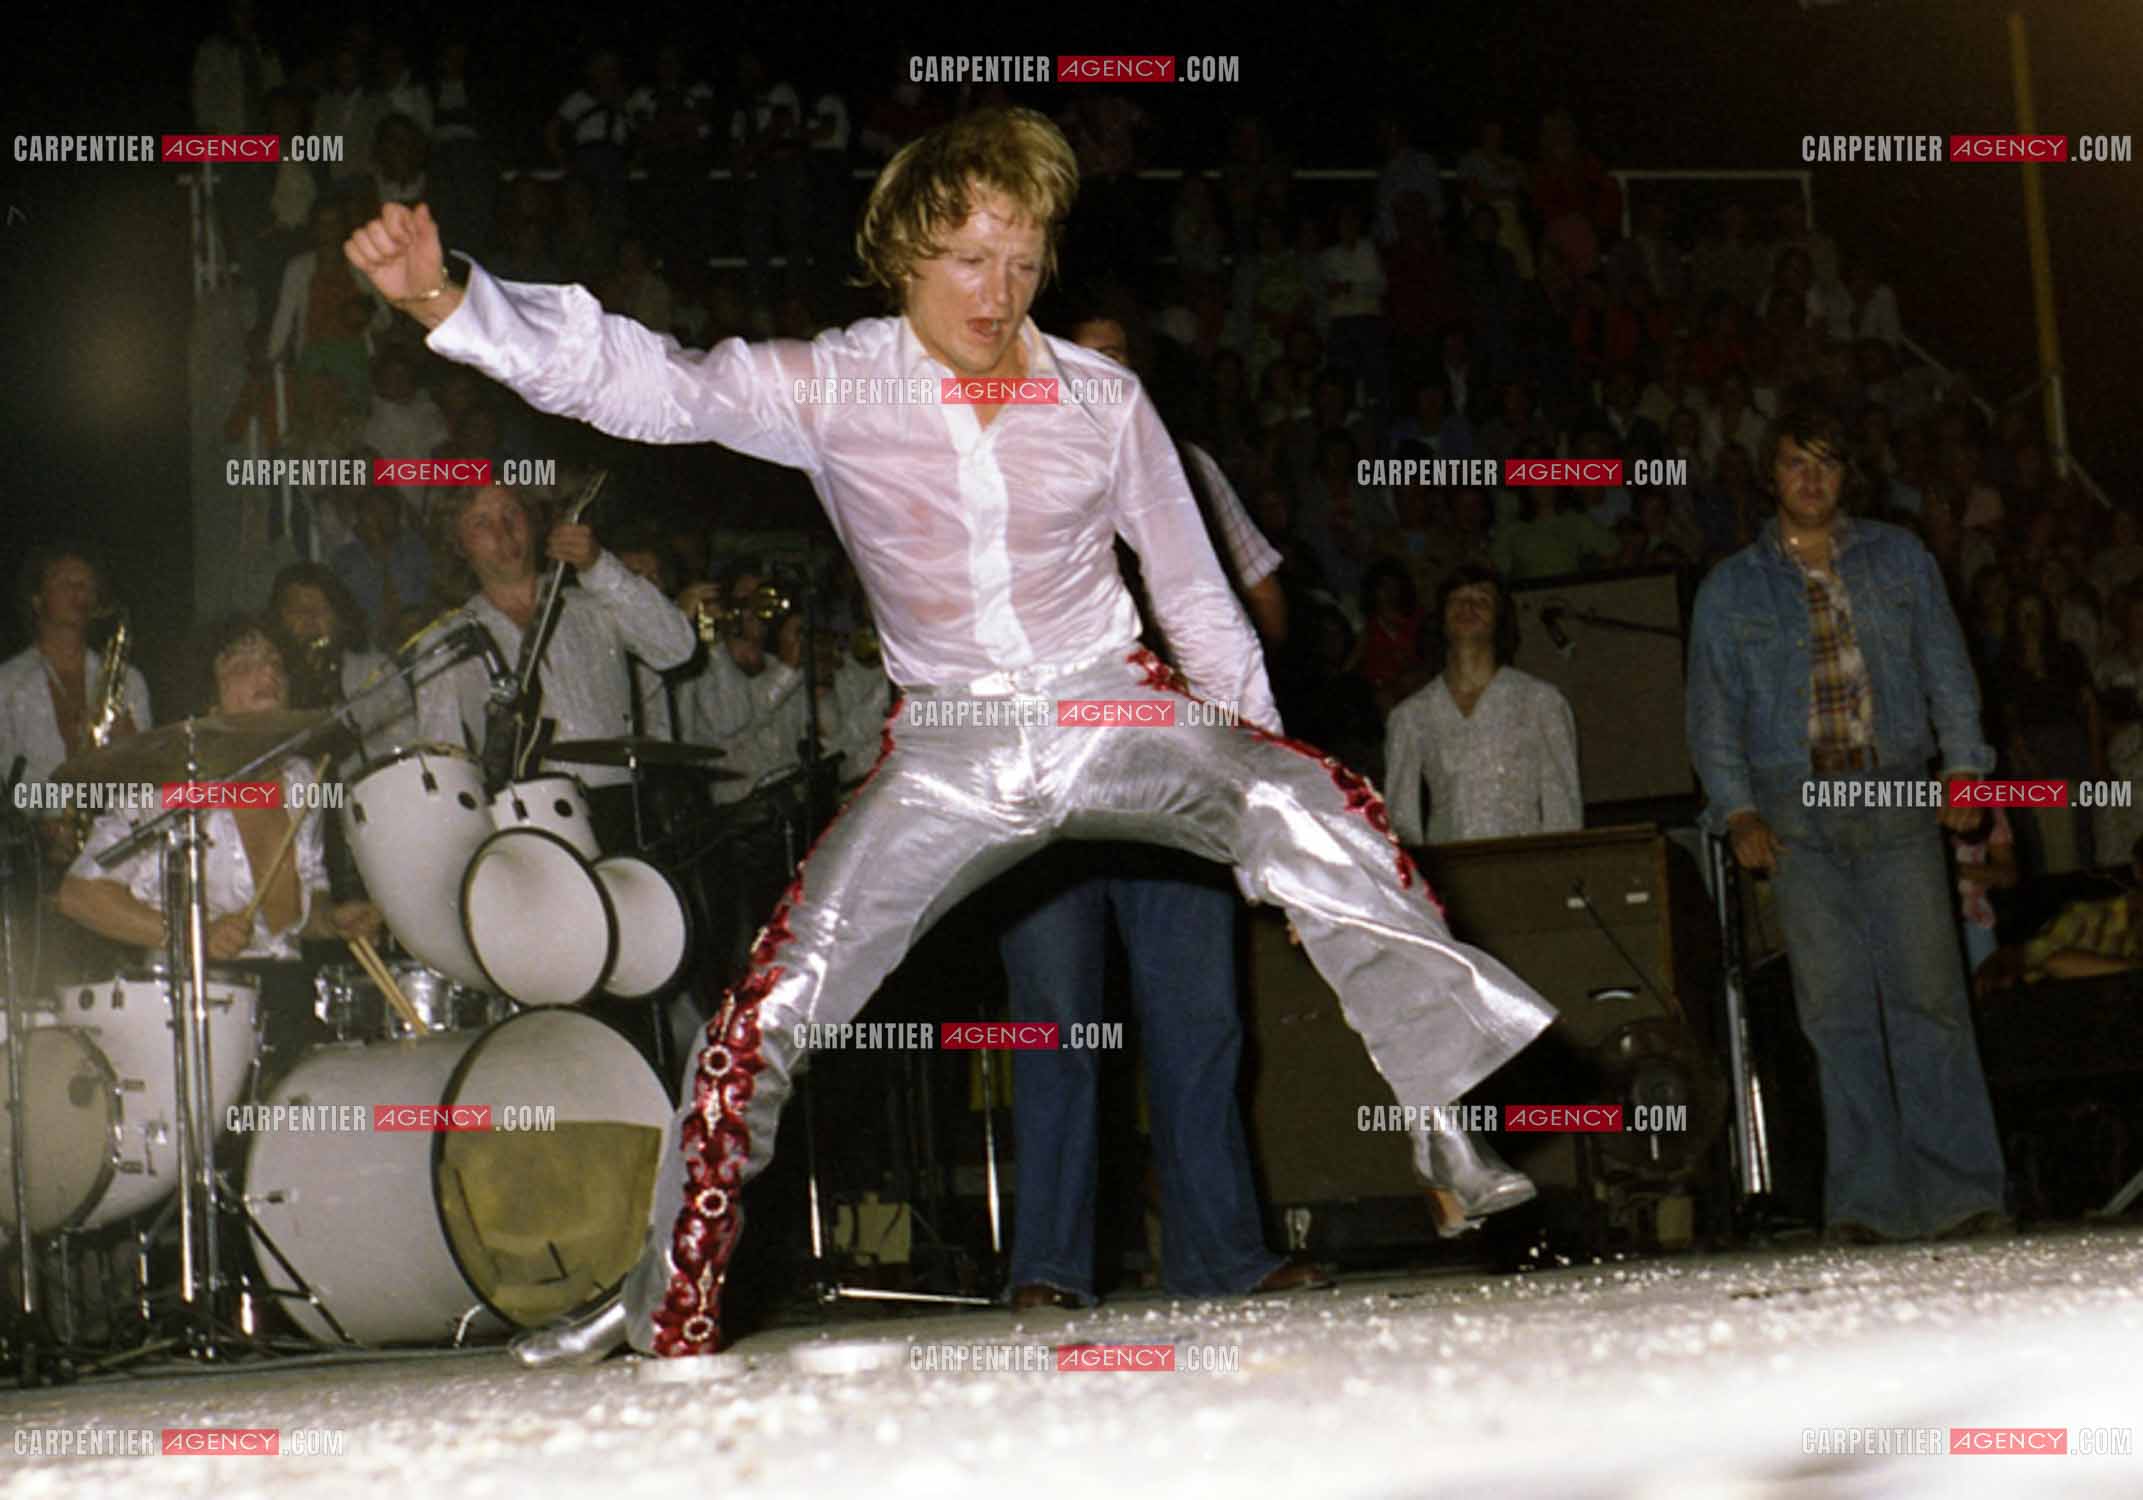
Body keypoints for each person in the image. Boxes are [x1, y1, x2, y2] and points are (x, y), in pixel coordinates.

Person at [345, 105, 1557, 1364]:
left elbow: (1197, 597)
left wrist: (1252, 788)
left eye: (1025, 260)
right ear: (904, 251)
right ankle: (665, 1297)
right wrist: (450, 299)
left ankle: (1442, 1119)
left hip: (1107, 708)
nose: (1002, 291)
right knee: (762, 1015)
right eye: (972, 259)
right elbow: (650, 382)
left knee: (1323, 807)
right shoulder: (836, 382)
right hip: (951, 753)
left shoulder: (1103, 398)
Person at [996, 305, 1322, 1310]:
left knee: (1201, 1018)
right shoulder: (997, 465)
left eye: (1118, 356)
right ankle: (1048, 1266)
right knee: (1056, 1026)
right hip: (1048, 775)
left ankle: (1220, 1256)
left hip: (1173, 771)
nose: (1102, 372)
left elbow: (1265, 603)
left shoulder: (1185, 468)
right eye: (1081, 355)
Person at [1686, 401, 2009, 1245]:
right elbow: (1710, 712)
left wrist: (1964, 762)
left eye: (1826, 465)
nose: (1811, 479)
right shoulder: (1730, 588)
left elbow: (1945, 661)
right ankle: (1865, 1204)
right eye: (1796, 463)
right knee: (1833, 1012)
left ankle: (1961, 1194)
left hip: (1893, 789)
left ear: (1845, 478)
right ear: (1770, 476)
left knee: (1930, 1000)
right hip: (1794, 805)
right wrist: (1738, 811)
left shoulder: (1899, 558)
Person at [57, 616, 380, 962]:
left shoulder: (303, 780)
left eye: (275, 663)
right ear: (211, 699)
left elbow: (304, 900)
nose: (268, 673)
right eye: (243, 663)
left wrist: (330, 920)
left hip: (288, 987)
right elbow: (78, 894)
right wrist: (193, 934)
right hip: (196, 999)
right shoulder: (174, 789)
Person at [412, 483, 697, 842]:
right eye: (481, 523)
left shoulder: (595, 605)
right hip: (522, 824)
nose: (504, 532)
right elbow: (441, 754)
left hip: (622, 813)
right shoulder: (446, 639)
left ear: (533, 523)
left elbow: (677, 648)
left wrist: (598, 566)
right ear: (458, 544)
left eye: (512, 514)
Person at [1383, 566, 1580, 846]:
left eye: (1482, 601)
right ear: (1441, 619)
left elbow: (1562, 806)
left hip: (1524, 865)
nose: (1468, 607)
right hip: (1451, 871)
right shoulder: (1410, 716)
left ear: (1499, 620)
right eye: (1457, 600)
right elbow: (1401, 819)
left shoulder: (1541, 702)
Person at [0, 548, 151, 866]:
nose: (79, 591)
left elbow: (150, 784)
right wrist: (46, 825)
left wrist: (131, 747)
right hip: (32, 859)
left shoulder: (129, 681)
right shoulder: (8, 684)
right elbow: (8, 789)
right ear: (37, 599)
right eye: (65, 581)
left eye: (86, 584)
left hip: (119, 848)